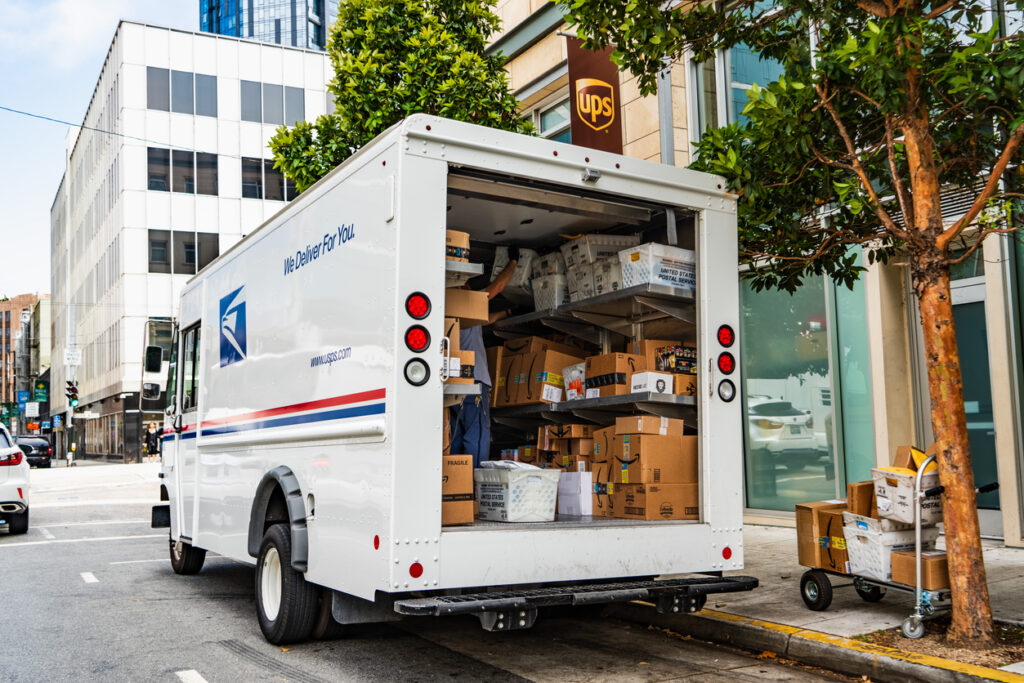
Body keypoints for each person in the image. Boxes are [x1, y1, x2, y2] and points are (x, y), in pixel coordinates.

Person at [450, 257, 518, 468]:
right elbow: (497, 287)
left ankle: (459, 491)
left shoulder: (448, 310)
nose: (470, 286)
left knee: (456, 441)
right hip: (474, 383)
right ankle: (476, 493)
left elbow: (485, 319)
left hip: (453, 385)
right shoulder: (466, 300)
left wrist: (507, 313)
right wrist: (513, 262)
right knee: (477, 440)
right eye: (467, 283)